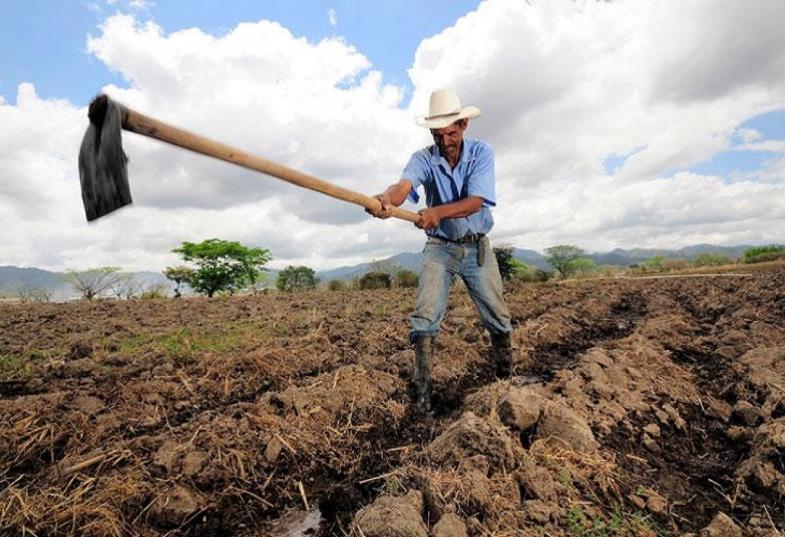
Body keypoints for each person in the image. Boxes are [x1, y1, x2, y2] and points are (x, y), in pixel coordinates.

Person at [368, 89, 513, 412]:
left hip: (476, 247)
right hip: (440, 248)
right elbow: (403, 187)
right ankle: (423, 396)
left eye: (451, 133)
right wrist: (386, 200)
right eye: (438, 135)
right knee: (425, 315)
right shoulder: (423, 158)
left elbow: (476, 202)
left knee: (498, 315)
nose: (445, 141)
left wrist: (438, 212)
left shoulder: (482, 153)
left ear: (463, 125)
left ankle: (506, 378)